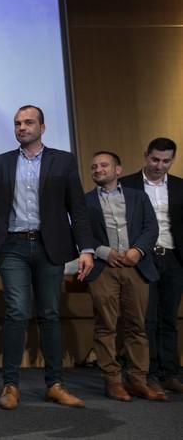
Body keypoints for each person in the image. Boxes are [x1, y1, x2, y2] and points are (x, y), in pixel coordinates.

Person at [0, 105, 94, 410]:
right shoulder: (0, 163)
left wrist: (86, 248)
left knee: (49, 313)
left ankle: (55, 384)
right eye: (18, 123)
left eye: (29, 122)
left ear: (42, 127)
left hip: (51, 247)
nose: (22, 127)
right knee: (17, 312)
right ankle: (10, 386)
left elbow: (77, 208)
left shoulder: (63, 161)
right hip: (12, 246)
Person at [84, 151, 164, 401]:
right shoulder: (84, 201)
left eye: (104, 165)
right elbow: (81, 232)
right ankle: (113, 382)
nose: (98, 169)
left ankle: (138, 380)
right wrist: (104, 252)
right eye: (94, 166)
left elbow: (152, 227)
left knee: (137, 326)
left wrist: (138, 251)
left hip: (135, 267)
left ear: (118, 170)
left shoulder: (138, 197)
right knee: (106, 327)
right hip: (103, 269)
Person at [121, 137, 183, 395]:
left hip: (173, 257)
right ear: (146, 155)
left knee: (168, 318)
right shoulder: (127, 185)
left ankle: (170, 372)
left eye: (166, 161)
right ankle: (149, 373)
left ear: (172, 160)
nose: (160, 165)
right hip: (143, 257)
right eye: (155, 159)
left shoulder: (180, 186)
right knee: (147, 319)